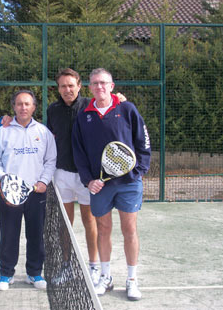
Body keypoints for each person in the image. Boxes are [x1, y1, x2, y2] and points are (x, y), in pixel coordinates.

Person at [72, 68, 151, 301]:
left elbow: (143, 143)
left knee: (129, 230)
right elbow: (79, 153)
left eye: (103, 83)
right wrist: (89, 180)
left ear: (112, 86)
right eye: (95, 83)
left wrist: (138, 172)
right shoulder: (83, 116)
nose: (99, 87)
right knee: (103, 230)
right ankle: (105, 277)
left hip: (129, 184)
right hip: (99, 186)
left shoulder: (127, 109)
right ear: (90, 88)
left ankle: (132, 280)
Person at [0, 89, 57, 291]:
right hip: (9, 193)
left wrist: (44, 181)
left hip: (37, 193)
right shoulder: (3, 131)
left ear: (34, 107)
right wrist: (4, 179)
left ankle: (34, 273)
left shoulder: (43, 133)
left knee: (36, 234)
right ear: (14, 107)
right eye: (19, 104)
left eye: (27, 104)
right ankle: (6, 274)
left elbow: (50, 160)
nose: (23, 107)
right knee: (9, 234)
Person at [46, 68, 100, 285]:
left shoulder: (92, 105)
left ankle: (94, 267)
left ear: (79, 85)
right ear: (58, 88)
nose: (67, 90)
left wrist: (121, 99)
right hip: (62, 174)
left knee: (90, 220)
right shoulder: (53, 110)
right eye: (63, 86)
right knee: (65, 224)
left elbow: (114, 105)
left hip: (87, 176)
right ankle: (67, 265)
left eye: (71, 85)